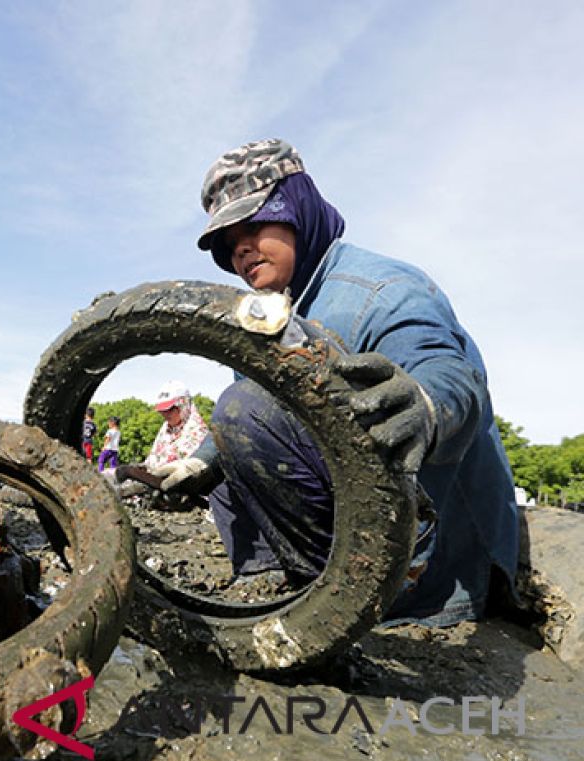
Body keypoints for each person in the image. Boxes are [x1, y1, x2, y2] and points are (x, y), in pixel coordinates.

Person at [184, 138, 517, 625]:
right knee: (233, 434)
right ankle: (276, 578)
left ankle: (349, 599)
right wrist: (197, 465)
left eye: (254, 225)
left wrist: (424, 405)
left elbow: (447, 372)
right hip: (356, 514)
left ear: (297, 209)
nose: (241, 250)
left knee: (243, 408)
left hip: (429, 556)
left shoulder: (381, 290)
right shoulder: (275, 316)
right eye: (229, 243)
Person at [115, 380, 211, 491]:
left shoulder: (197, 432)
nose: (165, 414)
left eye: (169, 409)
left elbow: (186, 478)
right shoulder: (166, 428)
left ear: (183, 405)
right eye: (162, 410)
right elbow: (153, 461)